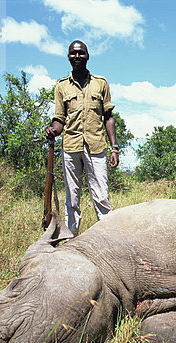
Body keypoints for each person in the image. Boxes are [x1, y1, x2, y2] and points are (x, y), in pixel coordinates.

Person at [45, 40, 119, 236]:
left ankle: (108, 239)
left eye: (81, 53)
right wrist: (53, 129)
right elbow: (59, 119)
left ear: (87, 56)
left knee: (101, 197)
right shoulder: (61, 86)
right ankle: (72, 243)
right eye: (73, 54)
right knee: (72, 200)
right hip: (70, 147)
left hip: (96, 146)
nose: (77, 57)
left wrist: (114, 148)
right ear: (68, 57)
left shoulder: (100, 83)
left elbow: (108, 117)